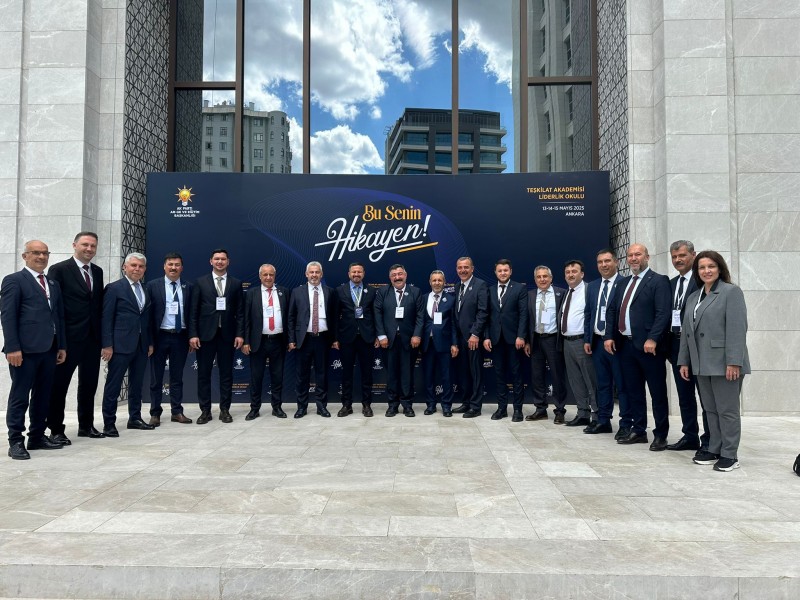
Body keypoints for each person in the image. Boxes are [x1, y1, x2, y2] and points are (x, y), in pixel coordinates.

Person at [679, 251, 749, 472]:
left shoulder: (731, 292)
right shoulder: (694, 297)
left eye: (711, 266)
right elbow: (687, 332)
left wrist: (734, 361)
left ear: (719, 268)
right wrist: (684, 361)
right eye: (702, 267)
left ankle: (730, 454)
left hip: (724, 363)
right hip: (701, 363)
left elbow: (737, 329)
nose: (706, 271)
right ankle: (715, 448)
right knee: (710, 410)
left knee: (727, 411)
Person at [2, 240, 67, 459]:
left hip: (49, 349)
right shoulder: (14, 280)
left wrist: (61, 345)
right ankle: (15, 441)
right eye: (36, 253)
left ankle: (37, 436)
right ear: (25, 256)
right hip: (24, 351)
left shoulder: (52, 283)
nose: (41, 257)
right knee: (20, 396)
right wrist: (12, 347)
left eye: (45, 253)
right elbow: (8, 316)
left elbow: (58, 317)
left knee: (43, 395)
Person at [604, 243, 671, 449]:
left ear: (647, 257)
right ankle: (639, 430)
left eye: (638, 254)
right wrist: (609, 336)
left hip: (649, 348)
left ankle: (661, 434)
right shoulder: (623, 283)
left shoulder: (658, 281)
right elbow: (612, 310)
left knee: (657, 393)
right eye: (630, 255)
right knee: (634, 391)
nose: (633, 258)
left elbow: (663, 313)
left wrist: (653, 338)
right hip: (626, 346)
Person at [46, 232, 104, 442]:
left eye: (93, 246)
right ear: (74, 245)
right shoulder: (59, 269)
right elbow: (54, 306)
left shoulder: (97, 271)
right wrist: (58, 340)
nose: (89, 249)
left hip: (92, 338)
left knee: (89, 384)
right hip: (68, 339)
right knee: (59, 385)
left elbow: (96, 304)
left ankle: (86, 426)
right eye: (85, 244)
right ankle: (56, 429)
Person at [99, 252, 155, 437]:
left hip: (141, 345)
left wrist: (149, 342)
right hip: (119, 345)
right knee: (114, 385)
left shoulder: (145, 289)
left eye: (141, 266)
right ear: (125, 267)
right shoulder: (114, 288)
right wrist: (107, 344)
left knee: (136, 384)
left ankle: (135, 418)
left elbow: (147, 319)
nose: (137, 269)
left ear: (144, 269)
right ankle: (109, 423)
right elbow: (106, 318)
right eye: (133, 265)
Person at [188, 249, 244, 424]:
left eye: (223, 259)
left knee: (226, 374)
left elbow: (240, 312)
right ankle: (205, 411)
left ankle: (225, 410)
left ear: (228, 262)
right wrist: (193, 334)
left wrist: (240, 334)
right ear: (210, 261)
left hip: (227, 336)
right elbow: (193, 311)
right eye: (217, 259)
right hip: (205, 336)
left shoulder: (236, 283)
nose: (220, 262)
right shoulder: (200, 282)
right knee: (204, 374)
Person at [666, 240, 709, 453]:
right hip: (676, 346)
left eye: (682, 255)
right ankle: (690, 436)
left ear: (693, 255)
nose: (678, 260)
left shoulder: (702, 281)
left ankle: (709, 439)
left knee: (706, 396)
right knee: (685, 395)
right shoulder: (672, 283)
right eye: (674, 257)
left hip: (699, 347)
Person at [582, 249, 627, 435]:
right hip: (597, 343)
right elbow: (588, 313)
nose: (604, 265)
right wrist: (587, 338)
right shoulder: (593, 286)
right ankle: (603, 420)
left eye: (607, 261)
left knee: (622, 385)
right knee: (602, 384)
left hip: (617, 344)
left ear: (616, 262)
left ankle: (625, 424)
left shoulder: (625, 283)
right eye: (600, 262)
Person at [147, 252, 193, 426]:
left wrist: (191, 337)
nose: (173, 268)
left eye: (177, 265)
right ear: (164, 266)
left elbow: (192, 315)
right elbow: (147, 317)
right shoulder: (152, 286)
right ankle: (155, 413)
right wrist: (149, 341)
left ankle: (177, 412)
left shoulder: (189, 287)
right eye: (170, 264)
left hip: (180, 337)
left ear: (182, 267)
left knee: (177, 377)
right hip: (159, 337)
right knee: (156, 378)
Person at [287, 261, 337, 418]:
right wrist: (291, 339)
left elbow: (335, 317)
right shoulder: (297, 292)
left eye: (317, 272)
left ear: (321, 274)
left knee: (322, 374)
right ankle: (301, 407)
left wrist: (334, 338)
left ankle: (321, 406)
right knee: (302, 375)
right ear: (306, 274)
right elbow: (291, 317)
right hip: (303, 339)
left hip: (323, 339)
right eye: (311, 272)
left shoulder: (330, 292)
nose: (314, 275)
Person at [374, 264, 423, 417]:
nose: (397, 277)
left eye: (400, 274)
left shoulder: (415, 292)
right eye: (394, 275)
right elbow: (377, 313)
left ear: (405, 275)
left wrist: (417, 335)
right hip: (388, 341)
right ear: (390, 278)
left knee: (407, 374)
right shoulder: (383, 292)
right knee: (391, 374)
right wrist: (381, 335)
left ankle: (407, 405)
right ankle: (392, 405)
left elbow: (420, 315)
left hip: (409, 340)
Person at [242, 264, 289, 420]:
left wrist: (290, 340)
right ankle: (254, 409)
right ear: (260, 276)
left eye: (271, 275)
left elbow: (290, 317)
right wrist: (246, 341)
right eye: (265, 275)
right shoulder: (251, 293)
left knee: (277, 376)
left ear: (275, 276)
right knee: (256, 377)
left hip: (278, 341)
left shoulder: (283, 292)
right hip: (258, 342)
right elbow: (246, 319)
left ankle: (277, 407)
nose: (268, 278)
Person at [483, 259, 528, 421]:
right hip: (496, 339)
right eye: (500, 270)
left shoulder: (519, 288)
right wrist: (486, 337)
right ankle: (501, 409)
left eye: (505, 270)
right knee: (499, 374)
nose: (503, 273)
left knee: (516, 375)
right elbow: (486, 315)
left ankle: (518, 410)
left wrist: (521, 336)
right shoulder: (489, 290)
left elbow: (523, 314)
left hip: (514, 340)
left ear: (510, 271)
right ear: (495, 273)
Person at [333, 262, 378, 417]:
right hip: (346, 338)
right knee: (346, 373)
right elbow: (335, 316)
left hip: (367, 338)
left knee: (367, 373)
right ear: (349, 274)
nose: (356, 274)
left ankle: (367, 405)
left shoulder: (371, 291)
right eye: (354, 272)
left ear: (363, 274)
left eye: (359, 272)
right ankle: (347, 405)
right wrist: (335, 338)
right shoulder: (340, 290)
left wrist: (377, 335)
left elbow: (376, 315)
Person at [524, 266, 568, 423]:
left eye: (545, 276)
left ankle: (560, 410)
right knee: (537, 376)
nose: (542, 279)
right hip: (535, 339)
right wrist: (527, 341)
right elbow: (526, 319)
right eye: (539, 277)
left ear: (551, 278)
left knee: (557, 375)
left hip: (553, 339)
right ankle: (540, 409)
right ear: (535, 279)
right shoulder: (530, 295)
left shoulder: (561, 293)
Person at [560, 259, 598, 428]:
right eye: (567, 272)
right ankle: (583, 413)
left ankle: (597, 415)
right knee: (576, 380)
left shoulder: (589, 290)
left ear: (582, 274)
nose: (570, 275)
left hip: (583, 342)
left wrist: (588, 340)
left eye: (574, 271)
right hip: (567, 342)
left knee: (591, 381)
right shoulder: (566, 293)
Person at [452, 257, 488, 417]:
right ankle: (466, 403)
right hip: (460, 338)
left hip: (473, 338)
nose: (463, 270)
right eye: (460, 267)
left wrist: (475, 334)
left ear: (472, 269)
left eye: (466, 267)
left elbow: (483, 311)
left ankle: (475, 406)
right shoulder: (457, 286)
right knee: (464, 372)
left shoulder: (480, 285)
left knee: (475, 373)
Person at [420, 270, 458, 417]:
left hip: (445, 343)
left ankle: (446, 405)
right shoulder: (423, 298)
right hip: (427, 343)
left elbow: (454, 323)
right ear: (430, 282)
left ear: (444, 282)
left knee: (446, 376)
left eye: (439, 280)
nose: (437, 283)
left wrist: (454, 343)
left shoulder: (451, 299)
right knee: (428, 376)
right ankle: (430, 405)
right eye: (434, 280)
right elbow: (419, 320)